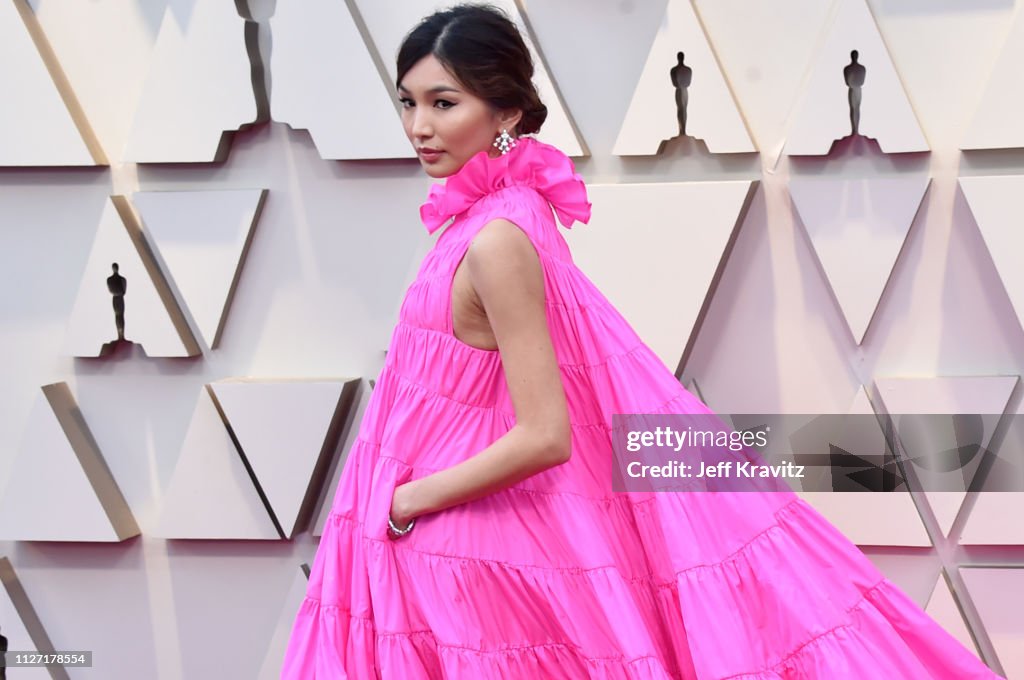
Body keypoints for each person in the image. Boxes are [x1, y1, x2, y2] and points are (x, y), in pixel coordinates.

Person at [281, 4, 1005, 678]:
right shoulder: (483, 220)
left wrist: (406, 500)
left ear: (503, 111)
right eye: (408, 102)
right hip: (430, 544)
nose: (420, 127)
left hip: (456, 550)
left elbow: (545, 434)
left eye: (445, 103)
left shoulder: (498, 238)